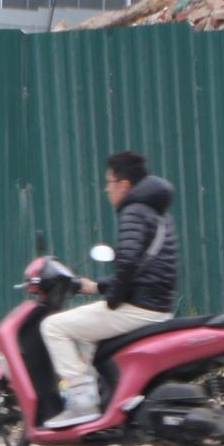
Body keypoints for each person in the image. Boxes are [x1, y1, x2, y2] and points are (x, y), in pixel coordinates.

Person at [40, 150, 178, 428]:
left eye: (109, 182)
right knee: (89, 335)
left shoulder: (133, 211)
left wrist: (112, 298)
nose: (106, 189)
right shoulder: (156, 212)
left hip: (139, 307)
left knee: (53, 327)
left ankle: (82, 401)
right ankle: (102, 398)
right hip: (156, 304)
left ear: (124, 185)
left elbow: (126, 262)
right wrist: (98, 286)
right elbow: (139, 266)